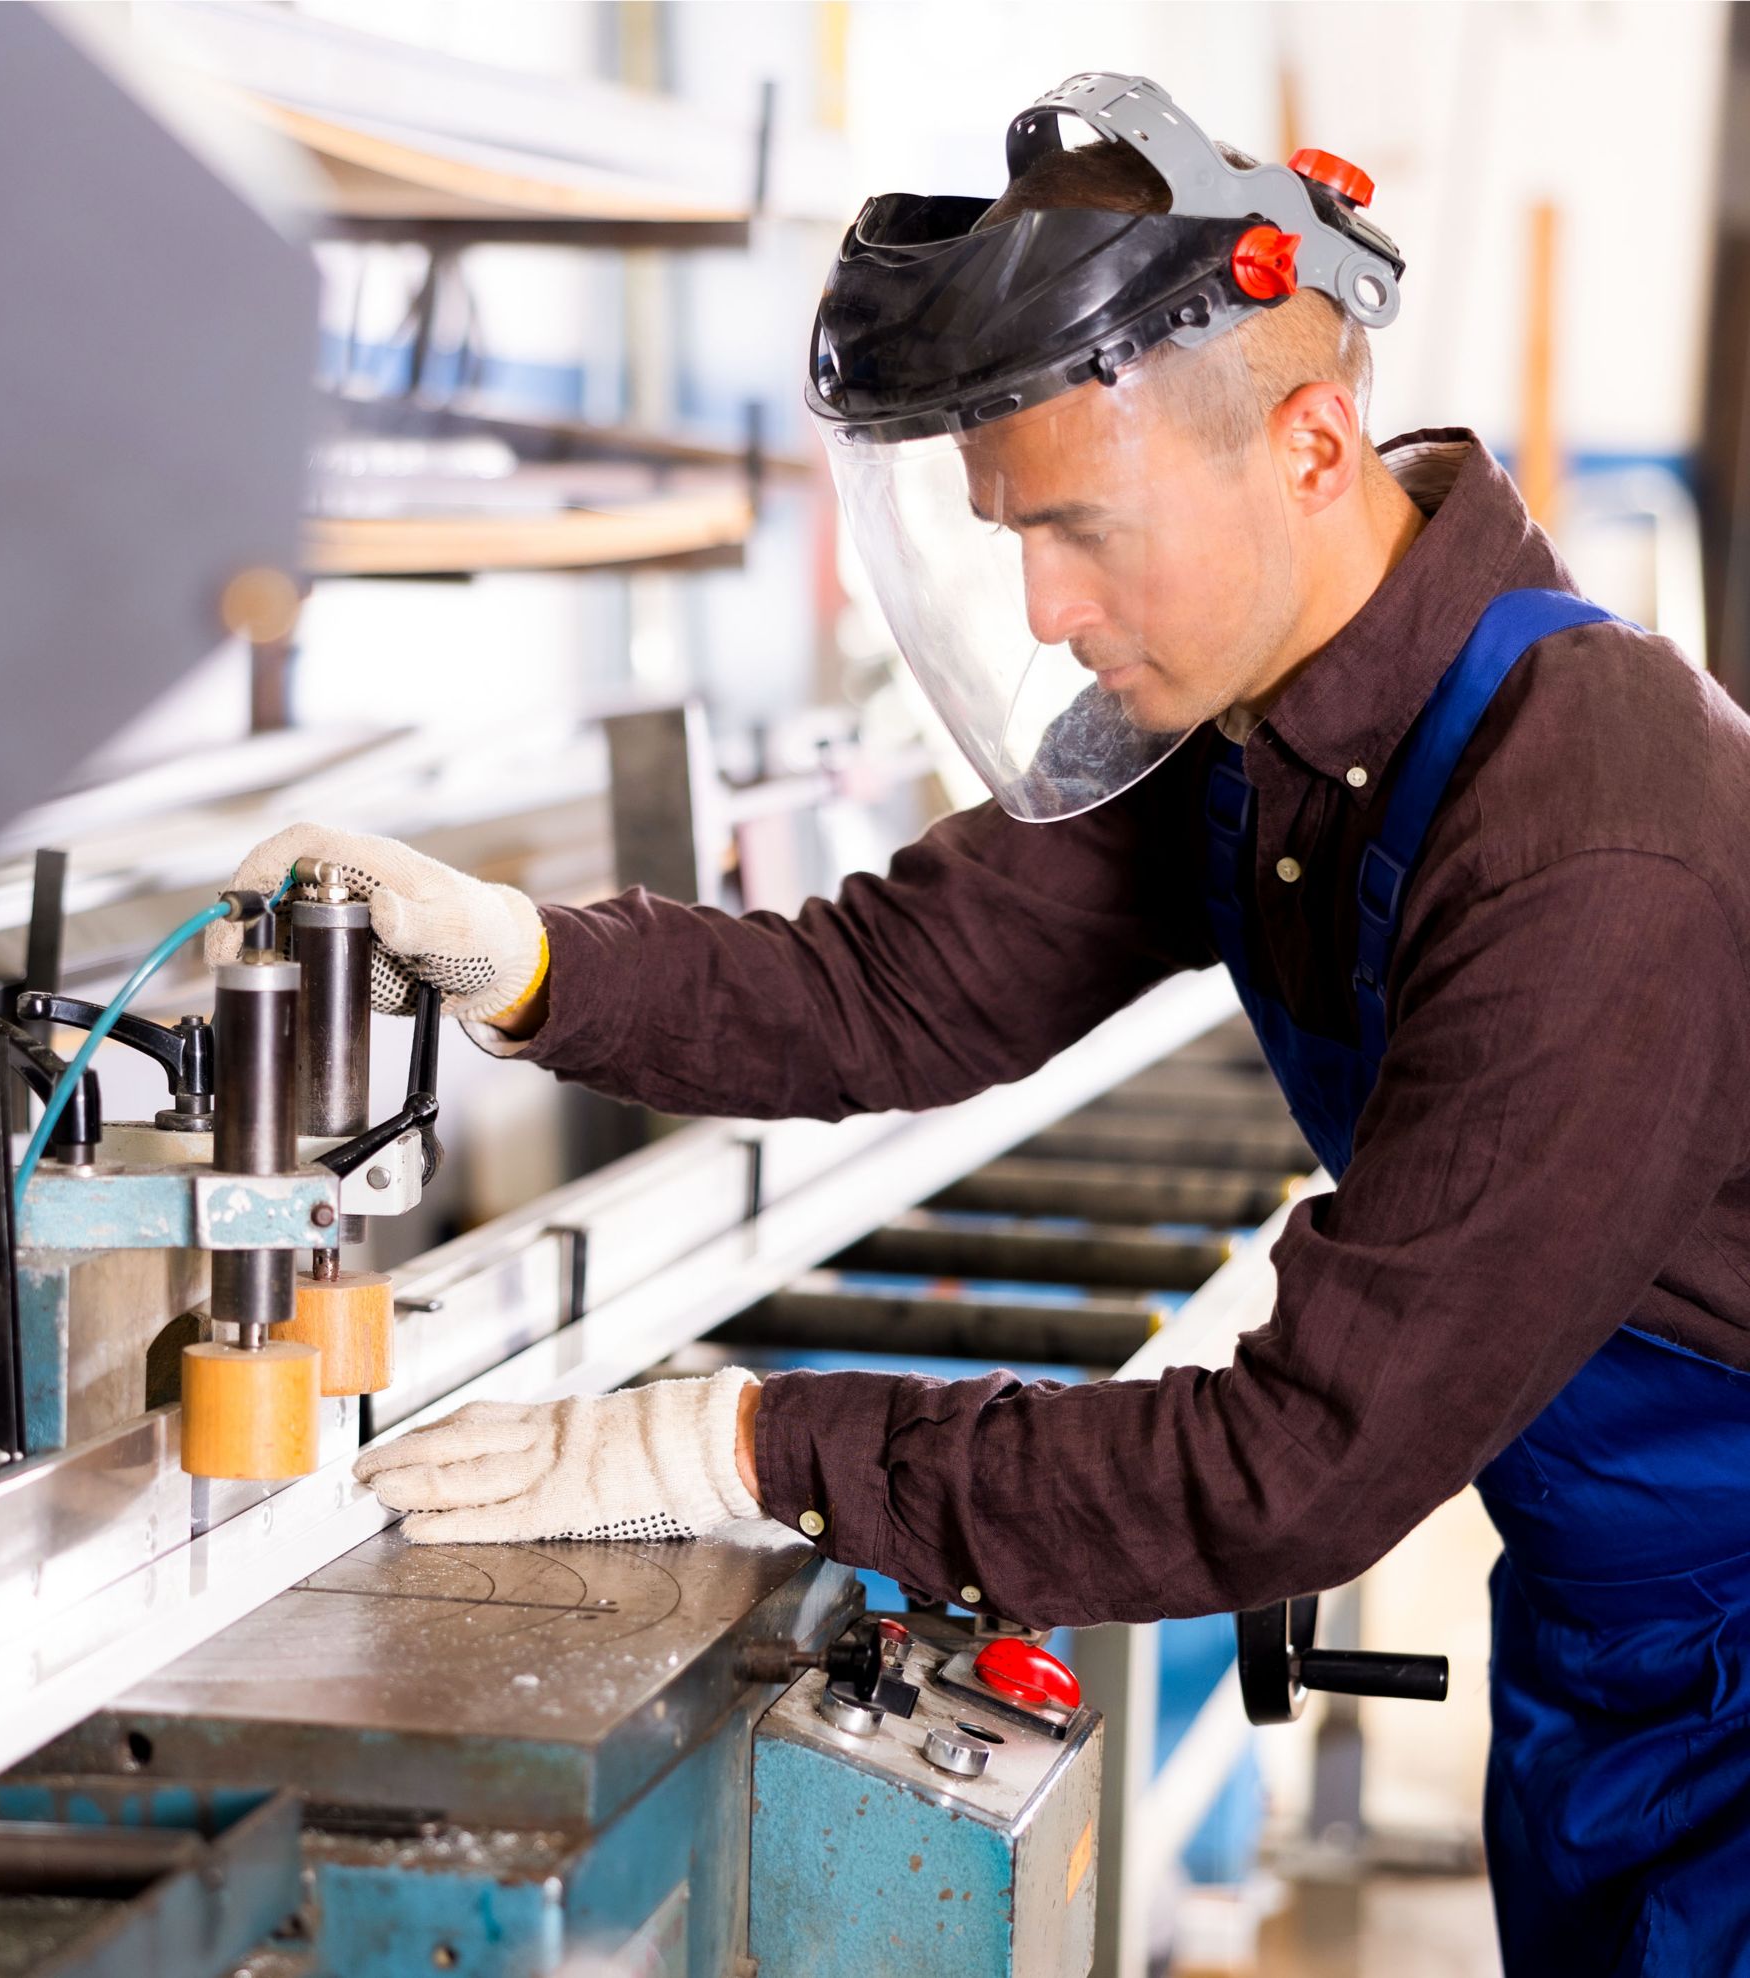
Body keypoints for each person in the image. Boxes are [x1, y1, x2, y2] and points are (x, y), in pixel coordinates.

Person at [212, 76, 1750, 1974]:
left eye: (1086, 532)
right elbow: (896, 985)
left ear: (1314, 441)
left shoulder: (1592, 848)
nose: (1047, 604)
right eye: (1007, 535)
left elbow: (1299, 1468)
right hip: (1624, 1646)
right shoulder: (1264, 717)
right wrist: (523, 958)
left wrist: (758, 1451)